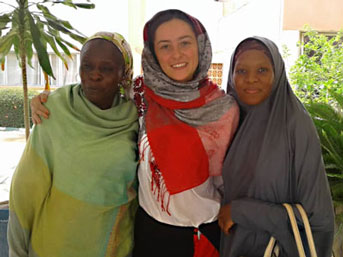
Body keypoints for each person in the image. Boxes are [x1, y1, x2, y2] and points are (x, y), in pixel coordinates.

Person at [30, 9, 240, 257]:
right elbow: (93, 89)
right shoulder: (140, 95)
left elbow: (235, 179)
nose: (176, 54)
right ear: (153, 53)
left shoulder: (225, 109)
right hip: (149, 232)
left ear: (200, 45)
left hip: (203, 234)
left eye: (185, 42)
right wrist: (49, 100)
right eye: (164, 46)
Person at [8, 32, 139, 257]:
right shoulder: (54, 111)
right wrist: (17, 251)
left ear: (123, 74)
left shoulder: (136, 119)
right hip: (52, 247)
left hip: (113, 247)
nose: (94, 75)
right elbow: (25, 191)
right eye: (86, 66)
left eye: (106, 69)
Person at [218, 37, 335, 257]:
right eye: (241, 71)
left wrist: (242, 211)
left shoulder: (294, 124)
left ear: (278, 73)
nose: (251, 79)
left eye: (262, 70)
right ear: (231, 76)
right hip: (234, 246)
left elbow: (318, 218)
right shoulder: (229, 120)